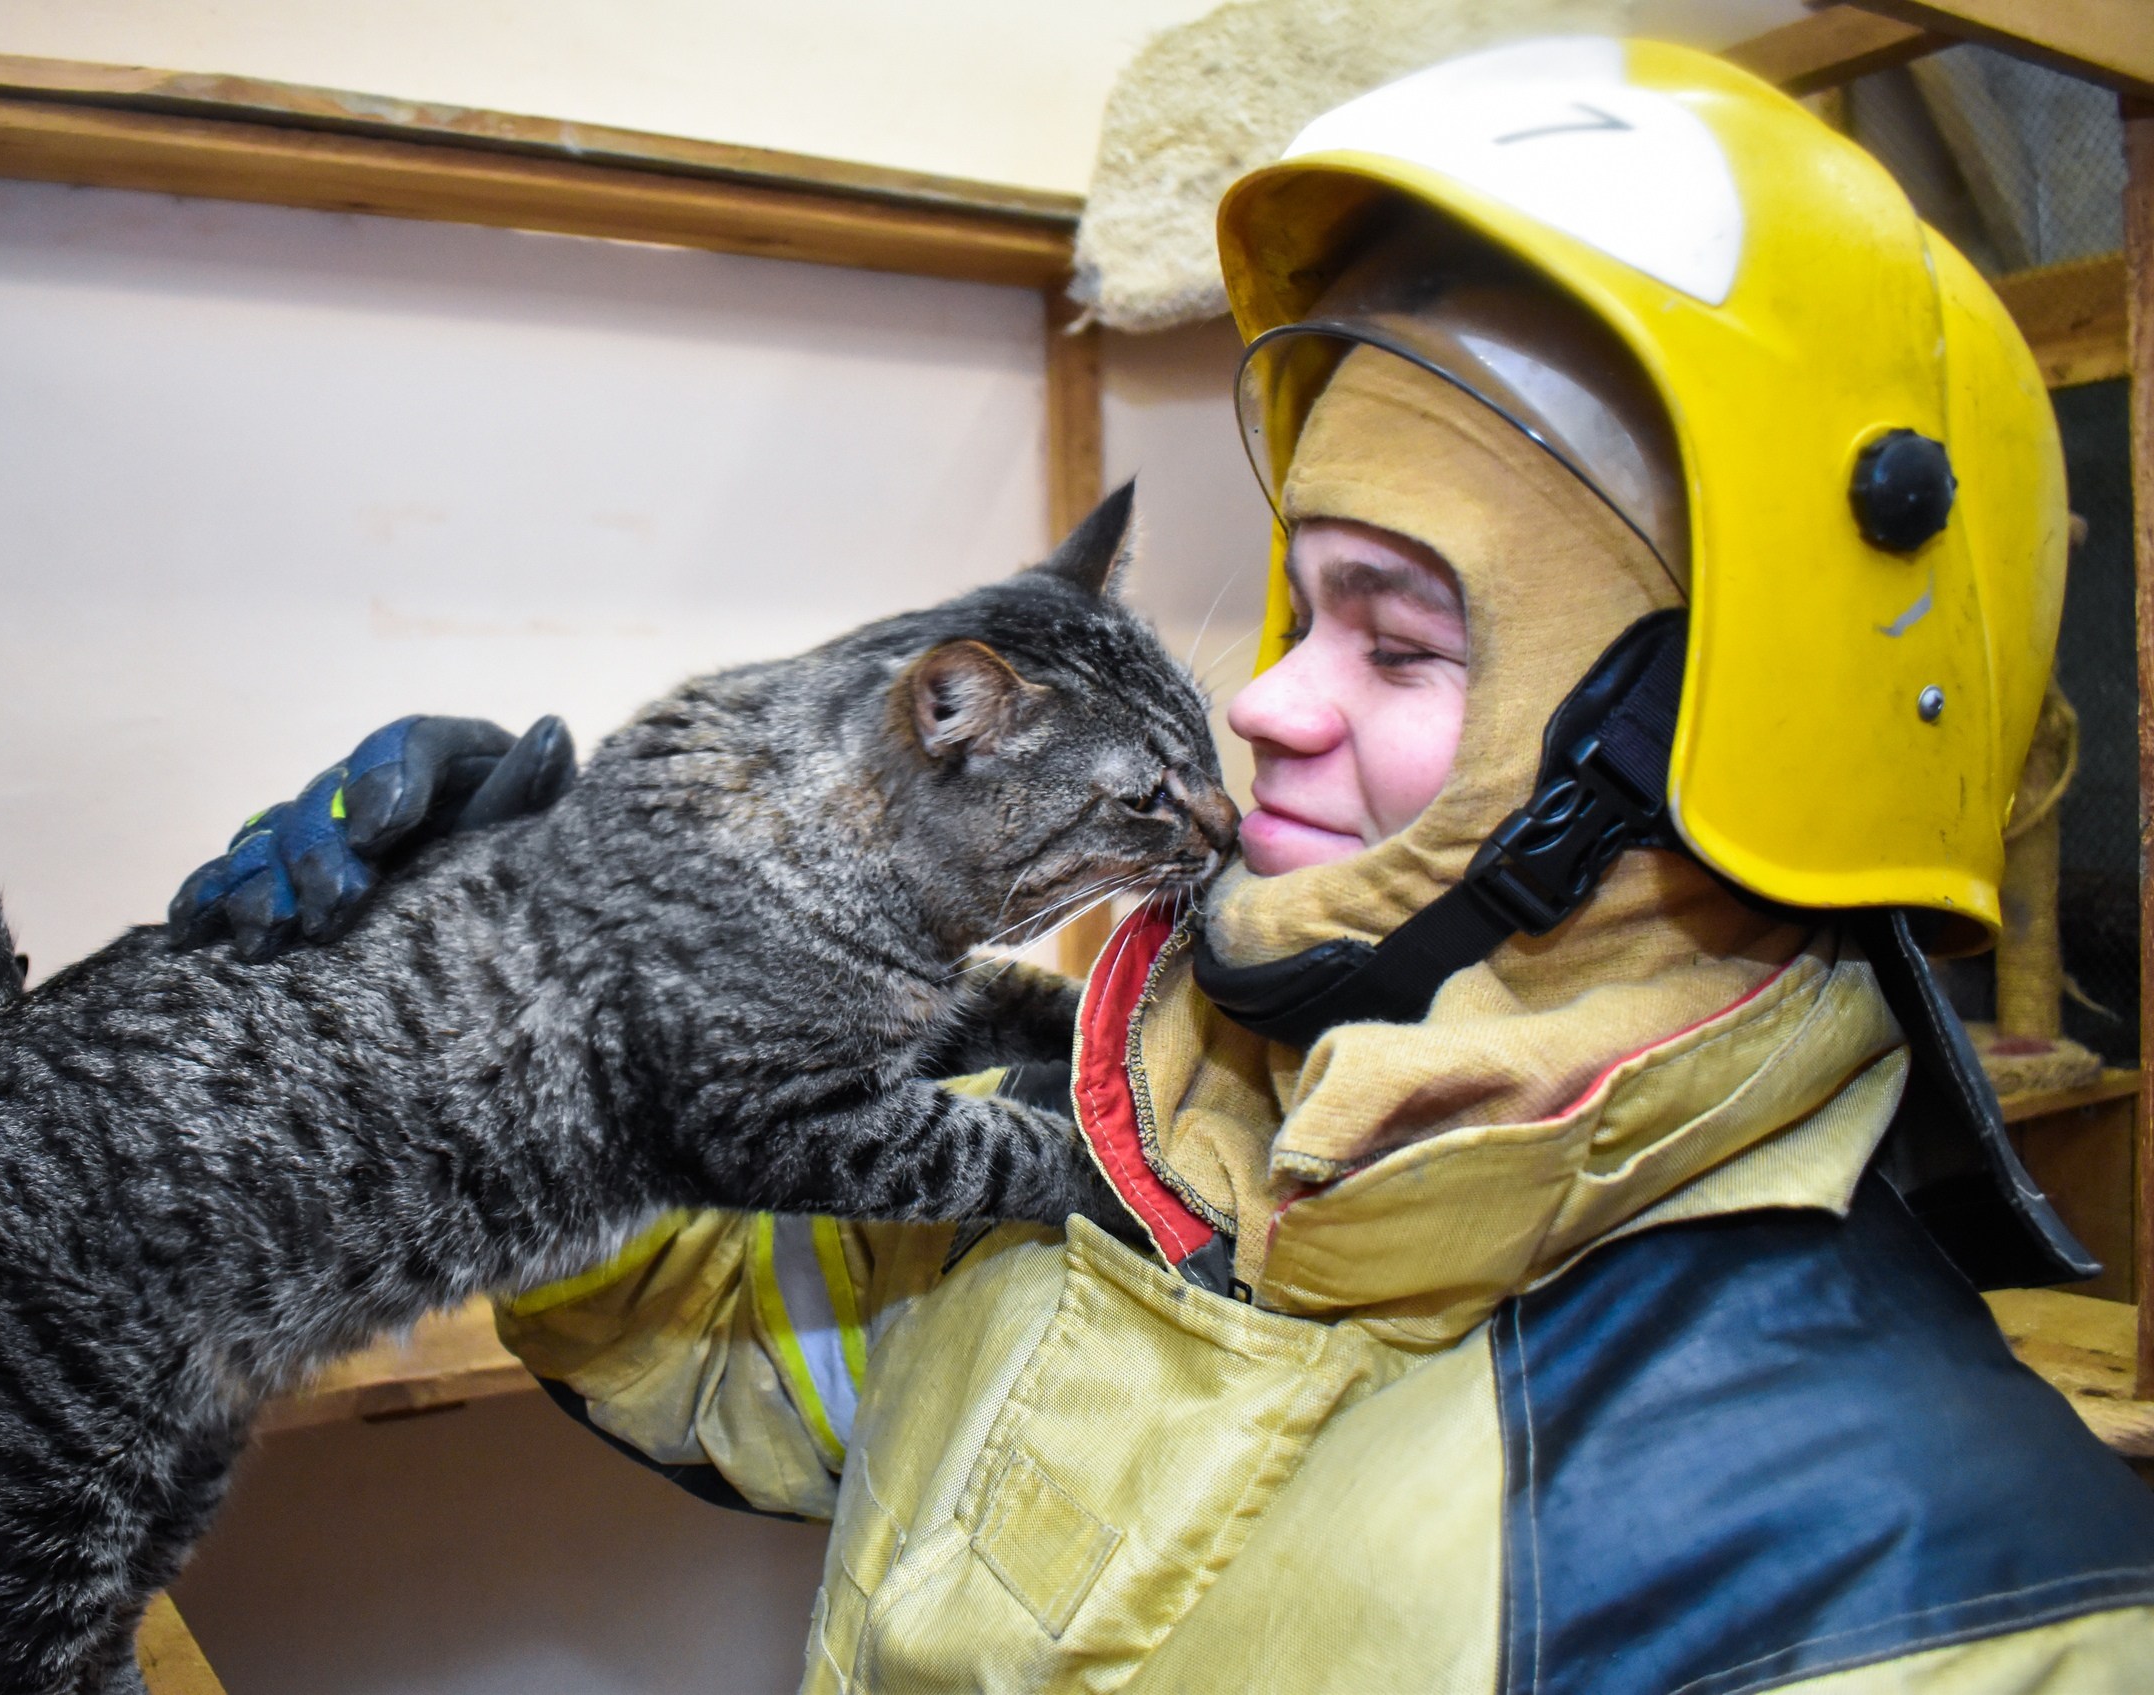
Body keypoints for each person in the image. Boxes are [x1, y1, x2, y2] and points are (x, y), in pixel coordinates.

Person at [172, 39, 2154, 1691]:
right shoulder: (1144, 1114)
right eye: (1296, 606)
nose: (1266, 704)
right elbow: (757, 1346)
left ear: (1704, 744)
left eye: (1397, 638)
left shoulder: (1926, 1601)